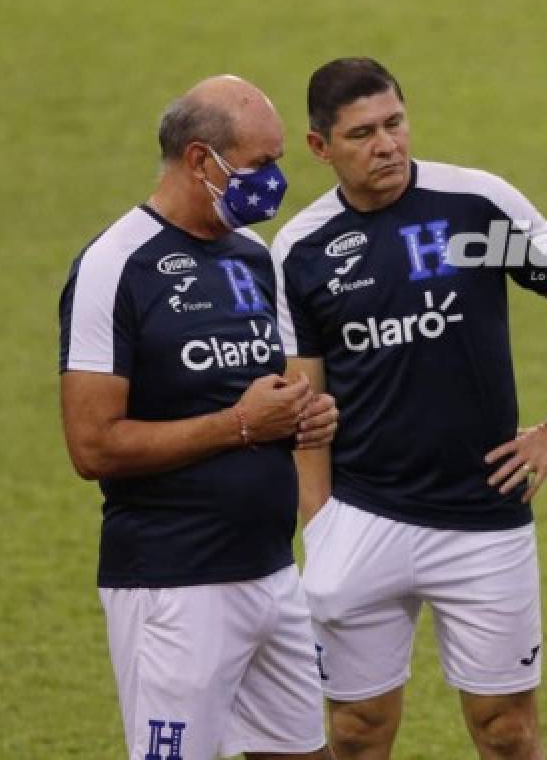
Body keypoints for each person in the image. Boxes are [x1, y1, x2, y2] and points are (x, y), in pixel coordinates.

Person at [272, 57, 547, 760]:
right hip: (363, 515)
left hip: (484, 518)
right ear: (319, 147)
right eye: (362, 133)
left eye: (395, 123)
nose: (387, 144)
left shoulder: (475, 203)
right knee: (356, 733)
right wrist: (320, 522)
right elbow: (304, 401)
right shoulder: (299, 250)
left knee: (507, 731)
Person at [59, 75, 338, 760]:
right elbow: (93, 446)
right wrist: (241, 426)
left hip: (272, 573)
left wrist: (303, 416)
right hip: (174, 586)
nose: (274, 181)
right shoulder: (113, 266)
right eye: (260, 164)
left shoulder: (251, 258)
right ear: (198, 160)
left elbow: (259, 392)